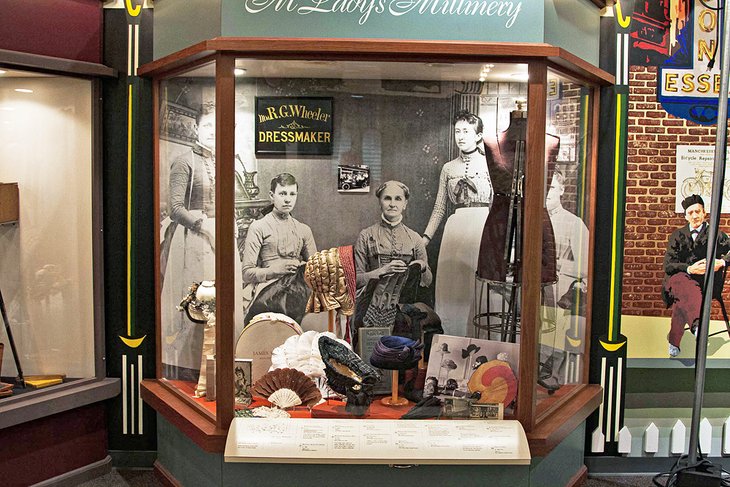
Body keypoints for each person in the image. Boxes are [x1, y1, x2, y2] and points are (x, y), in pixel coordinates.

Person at [421, 109, 493, 337]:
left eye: (467, 131)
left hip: (482, 227)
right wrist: (424, 239)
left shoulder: (490, 165)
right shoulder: (448, 168)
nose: (461, 136)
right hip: (455, 230)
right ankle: (451, 341)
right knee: (451, 287)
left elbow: (497, 204)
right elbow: (440, 207)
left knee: (477, 285)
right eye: (457, 131)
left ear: (479, 135)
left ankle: (477, 340)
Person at [160, 102, 218, 377]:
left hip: (218, 239)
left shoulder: (221, 159)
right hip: (193, 239)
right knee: (197, 302)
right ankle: (190, 368)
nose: (212, 131)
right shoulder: (185, 161)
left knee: (219, 305)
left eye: (217, 126)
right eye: (207, 125)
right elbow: (174, 208)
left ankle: (215, 366)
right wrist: (204, 225)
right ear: (196, 127)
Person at [354, 181, 432, 327]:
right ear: (380, 202)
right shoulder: (365, 235)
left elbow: (427, 281)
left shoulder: (414, 238)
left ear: (405, 204)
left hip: (404, 307)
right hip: (370, 305)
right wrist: (383, 271)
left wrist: (421, 266)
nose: (392, 204)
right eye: (387, 198)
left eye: (398, 199)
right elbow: (356, 280)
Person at [241, 173, 317, 320]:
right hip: (269, 287)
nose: (288, 199)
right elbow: (246, 273)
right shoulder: (258, 227)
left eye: (292, 194)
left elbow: (315, 269)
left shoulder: (303, 229)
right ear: (272, 195)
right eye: (282, 193)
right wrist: (273, 270)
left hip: (299, 287)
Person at [662, 194, 730, 357]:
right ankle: (697, 325)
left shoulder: (716, 235)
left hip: (706, 284)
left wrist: (721, 263)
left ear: (704, 213)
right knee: (682, 282)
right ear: (686, 215)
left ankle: (675, 341)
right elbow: (668, 265)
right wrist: (690, 269)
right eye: (690, 212)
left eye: (697, 211)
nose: (694, 216)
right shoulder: (677, 235)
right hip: (678, 282)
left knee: (682, 301)